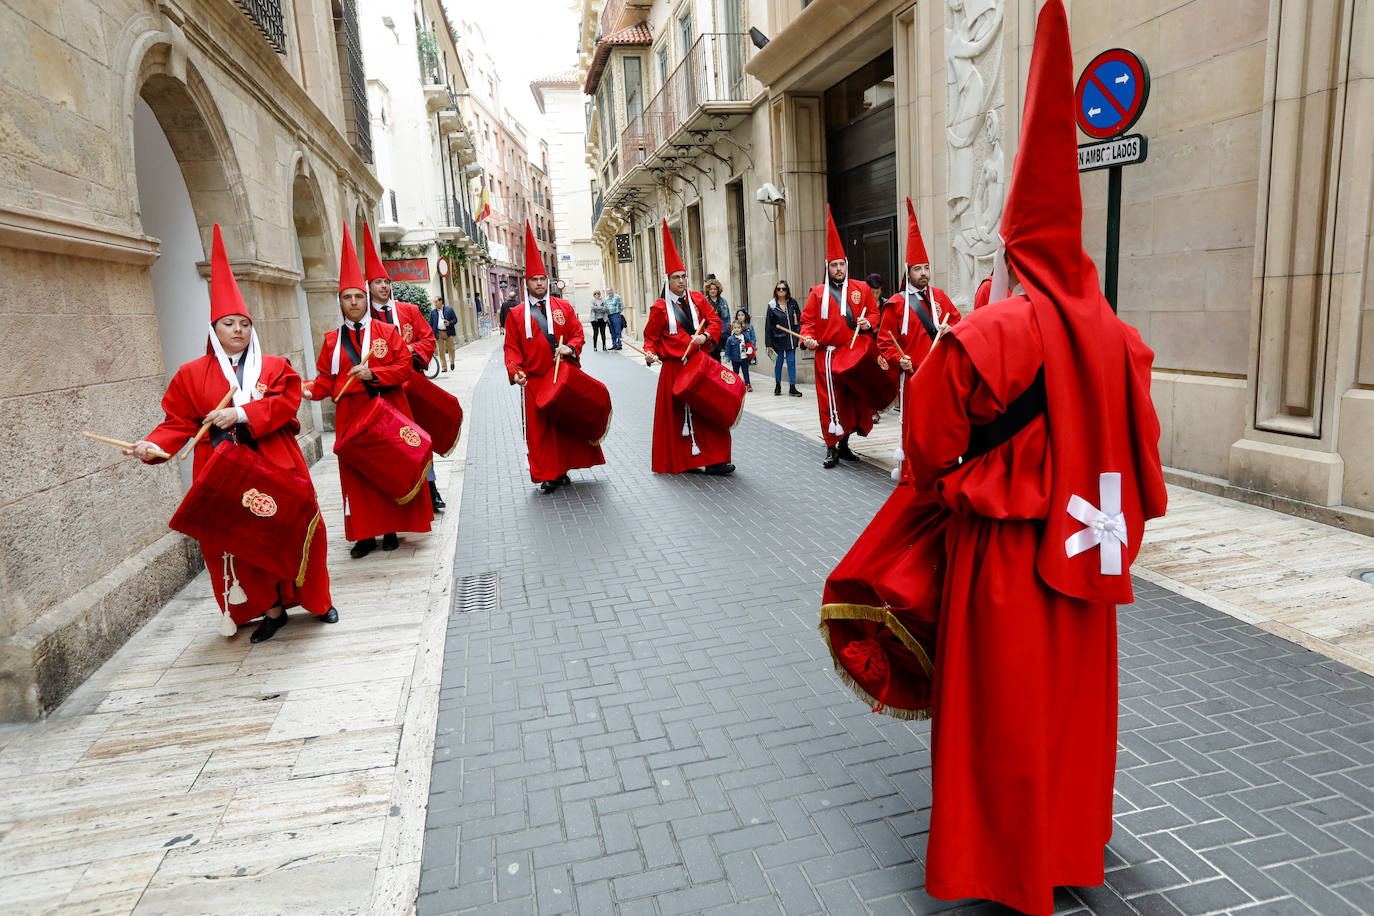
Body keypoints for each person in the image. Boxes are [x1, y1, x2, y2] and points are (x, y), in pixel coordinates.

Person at [907, 4, 1166, 910]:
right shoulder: (1122, 340)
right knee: (1070, 715)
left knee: (1001, 716)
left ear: (1014, 241)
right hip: (1088, 560)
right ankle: (1066, 851)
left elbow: (928, 445)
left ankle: (1001, 866)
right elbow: (1149, 466)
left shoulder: (989, 332)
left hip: (1007, 560)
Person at [128, 225, 338, 643]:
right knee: (238, 542)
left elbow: (285, 404)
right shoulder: (191, 375)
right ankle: (270, 610)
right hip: (224, 471)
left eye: (244, 323)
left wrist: (240, 413)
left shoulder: (275, 366)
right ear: (214, 329)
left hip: (276, 459)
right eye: (228, 323)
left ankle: (316, 599)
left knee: (302, 526)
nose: (237, 330)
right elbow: (178, 422)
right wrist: (155, 446)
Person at [307, 223, 434, 558]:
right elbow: (324, 379)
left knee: (388, 469)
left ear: (367, 298)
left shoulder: (387, 331)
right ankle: (364, 535)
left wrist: (373, 374)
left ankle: (390, 529)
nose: (353, 302)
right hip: (351, 417)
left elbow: (404, 367)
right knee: (358, 478)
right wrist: (310, 390)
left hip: (387, 410)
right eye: (347, 298)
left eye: (358, 297)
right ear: (340, 302)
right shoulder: (331, 341)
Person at [503, 222, 605, 493]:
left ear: (548, 282)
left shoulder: (563, 307)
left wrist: (569, 348)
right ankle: (548, 474)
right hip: (535, 381)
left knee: (563, 427)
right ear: (527, 283)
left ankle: (562, 469)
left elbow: (577, 334)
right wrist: (515, 371)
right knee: (540, 432)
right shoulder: (516, 314)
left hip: (562, 377)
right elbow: (511, 347)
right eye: (535, 280)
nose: (539, 283)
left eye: (543, 280)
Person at [362, 225, 445, 514]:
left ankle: (430, 490)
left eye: (387, 281)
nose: (384, 286)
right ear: (367, 286)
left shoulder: (409, 311)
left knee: (419, 439)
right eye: (377, 282)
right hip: (378, 394)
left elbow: (428, 339)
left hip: (411, 387)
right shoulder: (364, 317)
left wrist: (408, 351)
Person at [878, 198, 962, 478]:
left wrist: (952, 331)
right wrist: (897, 359)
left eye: (926, 267)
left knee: (941, 423)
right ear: (908, 272)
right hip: (913, 377)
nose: (924, 273)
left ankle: (940, 468)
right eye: (918, 269)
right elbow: (884, 342)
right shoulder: (896, 304)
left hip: (940, 374)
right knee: (914, 425)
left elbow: (959, 322)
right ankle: (912, 472)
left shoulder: (940, 297)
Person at [643, 220, 734, 476]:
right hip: (673, 369)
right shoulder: (659, 308)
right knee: (676, 419)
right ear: (667, 280)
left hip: (700, 365)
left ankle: (716, 459)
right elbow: (650, 337)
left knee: (709, 414)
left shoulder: (697, 299)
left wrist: (705, 337)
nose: (682, 281)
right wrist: (649, 352)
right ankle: (683, 461)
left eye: (684, 276)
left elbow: (716, 321)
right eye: (676, 277)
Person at [801, 206, 880, 469]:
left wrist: (868, 322)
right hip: (828, 355)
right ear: (828, 267)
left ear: (847, 264)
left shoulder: (863, 289)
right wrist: (808, 338)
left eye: (841, 264)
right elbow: (807, 323)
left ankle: (845, 446)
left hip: (853, 354)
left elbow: (876, 314)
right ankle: (831, 447)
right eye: (833, 265)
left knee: (852, 401)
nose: (838, 269)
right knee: (830, 402)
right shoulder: (817, 293)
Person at [764, 281, 804, 397]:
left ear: (787, 290)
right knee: (779, 363)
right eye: (779, 289)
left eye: (784, 289)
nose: (781, 291)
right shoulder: (772, 305)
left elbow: (799, 319)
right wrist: (769, 344)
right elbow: (768, 326)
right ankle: (778, 385)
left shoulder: (792, 303)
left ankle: (792, 387)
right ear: (775, 291)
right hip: (778, 339)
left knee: (791, 362)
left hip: (791, 338)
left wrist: (798, 333)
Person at [704, 277, 732, 361]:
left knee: (718, 354)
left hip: (721, 332)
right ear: (708, 290)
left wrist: (729, 329)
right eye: (711, 289)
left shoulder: (723, 301)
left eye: (715, 289)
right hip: (710, 331)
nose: (713, 291)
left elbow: (727, 317)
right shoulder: (705, 301)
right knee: (711, 353)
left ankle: (718, 372)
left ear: (718, 290)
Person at [429, 295, 459, 371]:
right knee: (441, 351)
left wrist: (449, 323)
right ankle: (444, 367)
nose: (435, 304)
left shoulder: (449, 309)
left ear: (440, 301)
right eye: (434, 302)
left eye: (436, 302)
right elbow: (431, 324)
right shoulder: (433, 313)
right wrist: (433, 333)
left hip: (448, 332)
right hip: (439, 333)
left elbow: (455, 320)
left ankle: (452, 362)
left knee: (451, 348)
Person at [724, 321, 753, 391]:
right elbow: (727, 349)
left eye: (739, 327)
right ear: (732, 329)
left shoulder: (745, 336)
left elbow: (749, 343)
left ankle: (748, 384)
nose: (737, 329)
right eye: (735, 328)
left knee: (745, 372)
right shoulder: (730, 339)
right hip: (735, 359)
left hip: (744, 358)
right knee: (735, 373)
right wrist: (727, 357)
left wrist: (750, 348)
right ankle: (735, 385)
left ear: (741, 328)